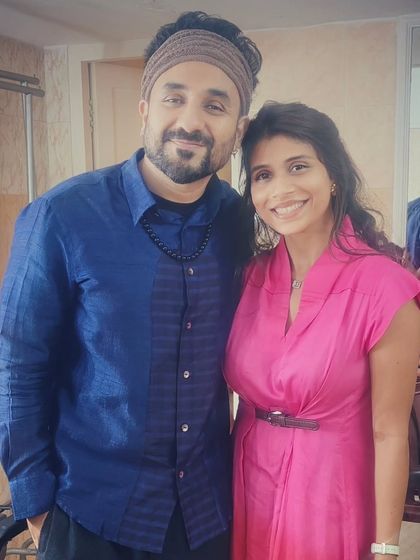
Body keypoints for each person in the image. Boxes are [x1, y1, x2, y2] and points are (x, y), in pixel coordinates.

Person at [0, 11, 262, 560]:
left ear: (238, 129)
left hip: (207, 517)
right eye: (174, 97)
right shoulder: (62, 216)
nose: (190, 121)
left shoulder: (244, 222)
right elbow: (17, 366)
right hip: (92, 513)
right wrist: (37, 508)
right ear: (145, 109)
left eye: (215, 105)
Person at [224, 102, 420, 560]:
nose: (281, 189)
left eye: (298, 167)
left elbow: (390, 433)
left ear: (333, 175)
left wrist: (386, 547)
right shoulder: (249, 278)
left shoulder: (385, 286)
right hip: (248, 483)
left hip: (332, 491)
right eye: (263, 175)